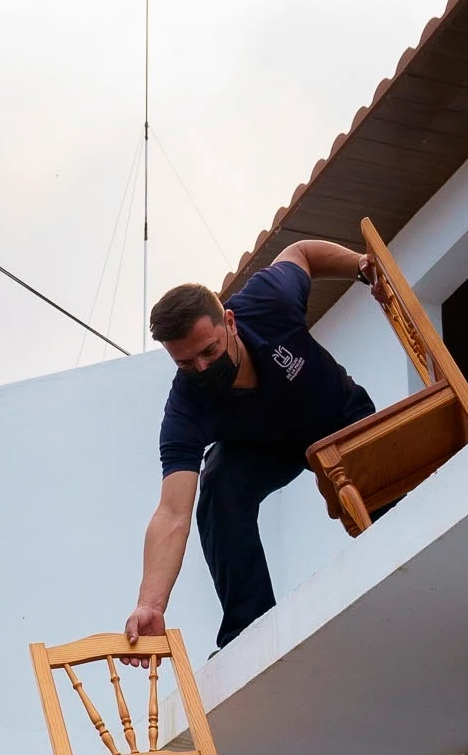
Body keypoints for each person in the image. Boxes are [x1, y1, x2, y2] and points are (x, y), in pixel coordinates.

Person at [127, 243, 388, 650]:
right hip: (267, 448)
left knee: (385, 505)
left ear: (229, 322)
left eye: (209, 351)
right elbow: (172, 512)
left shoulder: (269, 303)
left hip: (335, 417)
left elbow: (301, 252)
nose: (202, 368)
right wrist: (150, 604)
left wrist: (360, 267)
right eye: (185, 363)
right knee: (219, 484)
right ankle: (251, 630)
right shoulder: (185, 408)